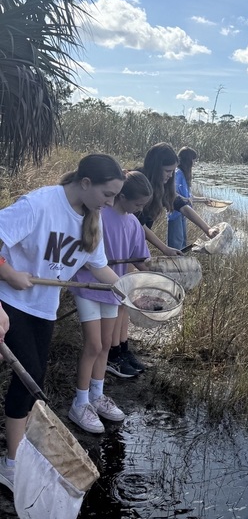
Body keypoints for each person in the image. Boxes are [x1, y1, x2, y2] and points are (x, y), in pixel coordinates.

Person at [0, 154, 125, 491]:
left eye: (115, 196)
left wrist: (131, 294)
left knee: (34, 377)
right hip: (9, 302)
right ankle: (11, 463)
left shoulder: (92, 220)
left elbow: (101, 270)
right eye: (108, 195)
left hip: (43, 308)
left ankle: (17, 451)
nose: (111, 202)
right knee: (28, 380)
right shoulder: (40, 204)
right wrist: (9, 272)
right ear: (85, 183)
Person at [68, 172, 153, 430]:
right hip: (88, 287)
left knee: (106, 344)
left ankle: (97, 394)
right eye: (137, 205)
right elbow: (83, 254)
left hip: (114, 290)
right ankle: (80, 402)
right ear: (122, 195)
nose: (139, 210)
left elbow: (141, 258)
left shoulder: (134, 224)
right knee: (93, 345)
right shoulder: (98, 215)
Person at [138, 142, 219, 254]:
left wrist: (208, 229)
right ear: (155, 168)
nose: (171, 175)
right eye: (167, 171)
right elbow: (138, 224)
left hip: (137, 238)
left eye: (172, 171)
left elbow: (182, 206)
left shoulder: (163, 186)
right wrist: (165, 249)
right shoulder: (139, 183)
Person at [167, 146, 210, 250]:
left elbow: (189, 197)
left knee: (182, 243)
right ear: (188, 160)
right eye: (193, 160)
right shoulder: (177, 173)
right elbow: (174, 193)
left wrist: (204, 200)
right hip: (175, 214)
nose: (194, 163)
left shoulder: (184, 174)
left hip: (183, 215)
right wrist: (186, 200)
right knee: (176, 245)